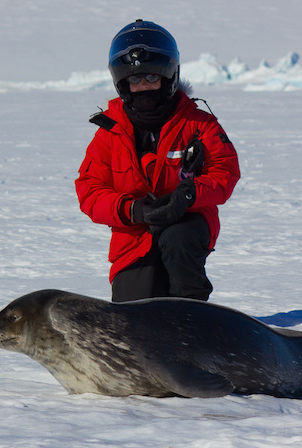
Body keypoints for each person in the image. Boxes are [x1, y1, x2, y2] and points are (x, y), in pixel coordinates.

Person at [75, 19, 240, 302]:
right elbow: (89, 191)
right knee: (134, 314)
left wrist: (188, 195)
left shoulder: (199, 124)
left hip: (188, 222)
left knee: (178, 241)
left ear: (168, 77)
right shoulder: (111, 132)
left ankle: (193, 320)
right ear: (122, 83)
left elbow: (225, 172)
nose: (144, 86)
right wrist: (132, 210)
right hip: (134, 236)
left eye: (152, 77)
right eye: (135, 80)